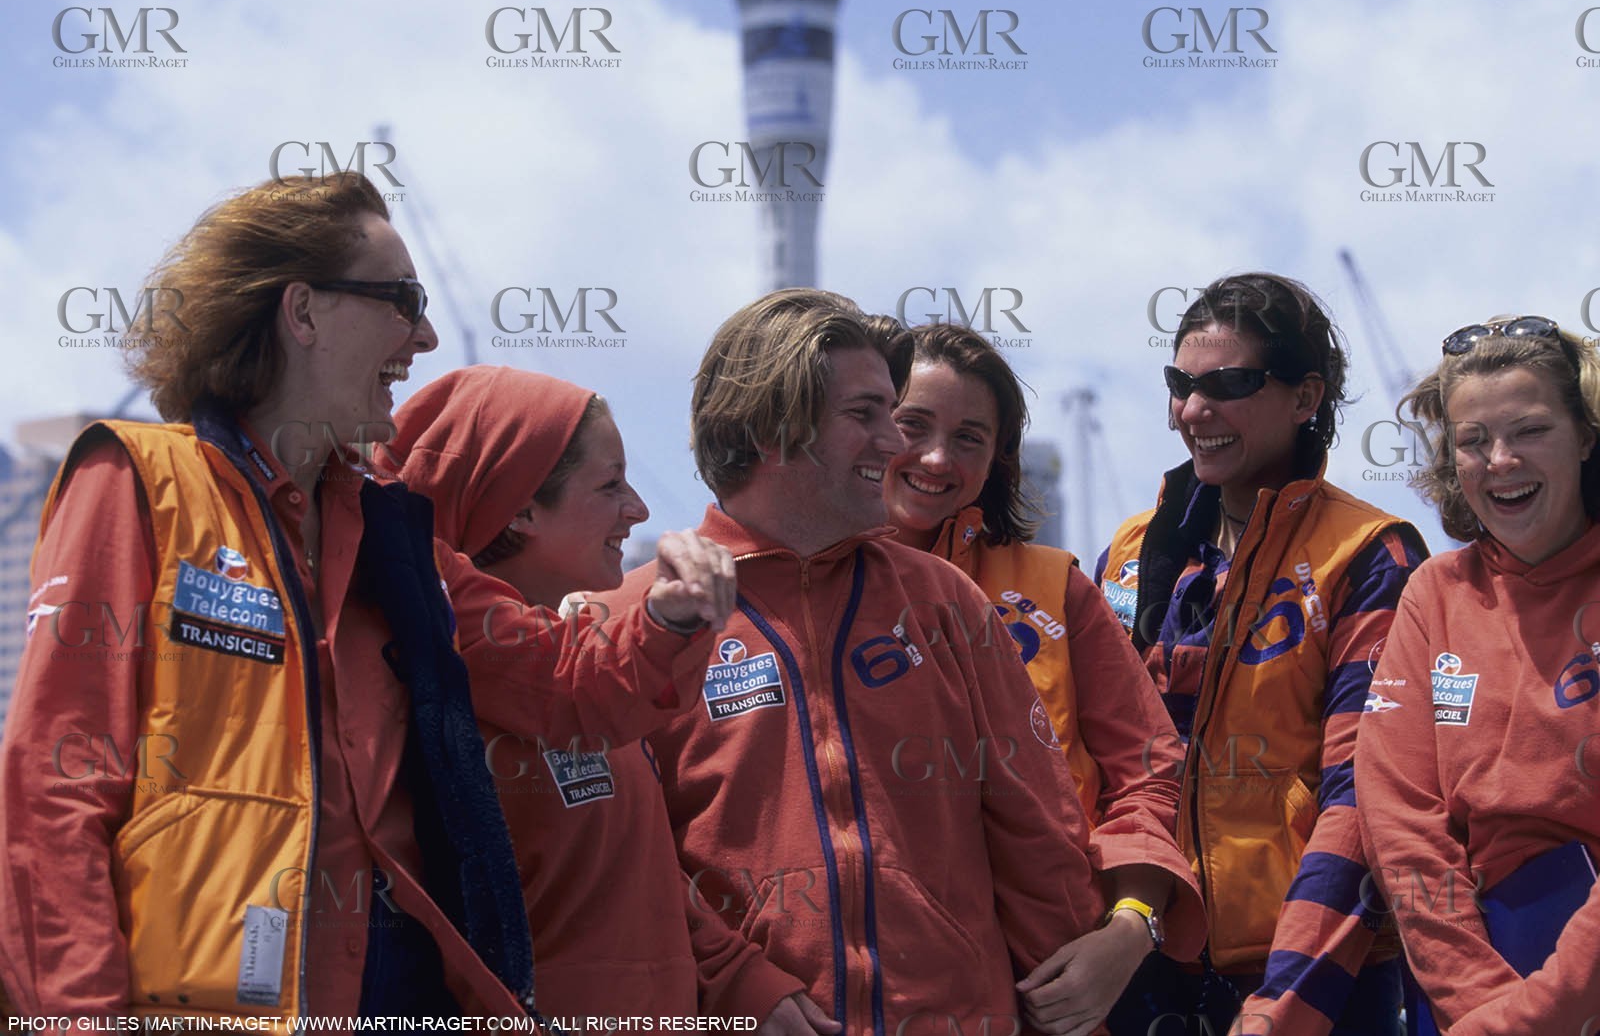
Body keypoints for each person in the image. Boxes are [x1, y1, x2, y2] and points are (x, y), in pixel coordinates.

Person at [0, 173, 734, 1022]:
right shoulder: (135, 481)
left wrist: (668, 615)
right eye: (400, 299)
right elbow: (55, 784)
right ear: (303, 312)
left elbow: (566, 686)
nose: (424, 335)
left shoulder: (392, 536)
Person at [584, 288, 1106, 1036]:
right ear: (774, 427)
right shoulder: (630, 623)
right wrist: (737, 987)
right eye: (865, 415)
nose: (894, 444)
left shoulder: (945, 601)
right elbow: (612, 864)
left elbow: (1039, 837)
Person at [379, 365, 799, 1021]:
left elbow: (638, 883)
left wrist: (744, 981)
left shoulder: (587, 668)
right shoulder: (439, 691)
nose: (639, 508)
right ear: (519, 508)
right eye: (609, 485)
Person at [1095, 274, 1429, 1035]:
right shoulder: (1132, 550)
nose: (1192, 410)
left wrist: (1286, 1002)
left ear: (1306, 396)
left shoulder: (1370, 553)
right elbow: (1098, 766)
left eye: (1230, 384)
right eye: (1179, 383)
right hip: (1143, 963)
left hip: (1319, 981)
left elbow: (1362, 794)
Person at [876, 321, 1205, 1033]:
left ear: (999, 457)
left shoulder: (1054, 587)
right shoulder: (800, 595)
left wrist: (1129, 929)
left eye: (970, 436)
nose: (937, 457)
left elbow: (1150, 766)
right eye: (913, 424)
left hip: (1059, 991)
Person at [1356, 316, 1600, 1035]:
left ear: (1585, 435)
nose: (1500, 459)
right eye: (1472, 440)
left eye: (1529, 430)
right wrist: (1481, 1005)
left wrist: (1539, 1014)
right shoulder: (1434, 592)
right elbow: (1401, 822)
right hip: (1466, 984)